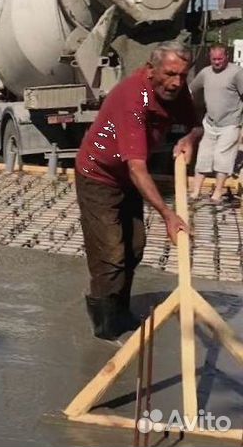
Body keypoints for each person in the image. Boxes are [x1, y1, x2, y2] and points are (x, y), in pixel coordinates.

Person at [75, 41, 203, 341]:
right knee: (110, 252)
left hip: (127, 176)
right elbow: (138, 169)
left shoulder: (176, 89)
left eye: (183, 76)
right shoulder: (135, 98)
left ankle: (120, 310)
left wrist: (191, 137)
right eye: (171, 74)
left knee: (134, 245)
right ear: (151, 69)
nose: (176, 83)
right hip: (99, 174)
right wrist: (168, 214)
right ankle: (105, 324)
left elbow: (196, 123)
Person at [189, 45, 243, 204]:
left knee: (222, 158)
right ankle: (195, 192)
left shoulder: (237, 73)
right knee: (203, 157)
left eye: (220, 59)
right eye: (214, 59)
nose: (217, 62)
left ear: (227, 57)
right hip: (210, 123)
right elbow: (191, 89)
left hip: (230, 123)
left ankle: (217, 194)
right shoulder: (205, 73)